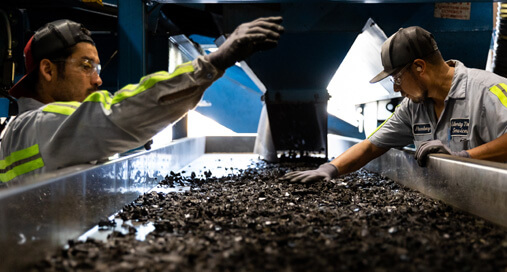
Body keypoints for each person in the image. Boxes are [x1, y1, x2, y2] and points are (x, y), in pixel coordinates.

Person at [0, 17, 284, 184]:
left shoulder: (37, 129)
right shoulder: (36, 126)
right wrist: (213, 62)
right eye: (86, 66)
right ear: (48, 70)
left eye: (97, 69)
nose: (97, 80)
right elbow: (116, 116)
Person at [282, 26, 507, 183]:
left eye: (397, 79)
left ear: (419, 67)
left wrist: (464, 158)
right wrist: (330, 169)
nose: (397, 89)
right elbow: (371, 146)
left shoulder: (489, 90)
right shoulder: (413, 107)